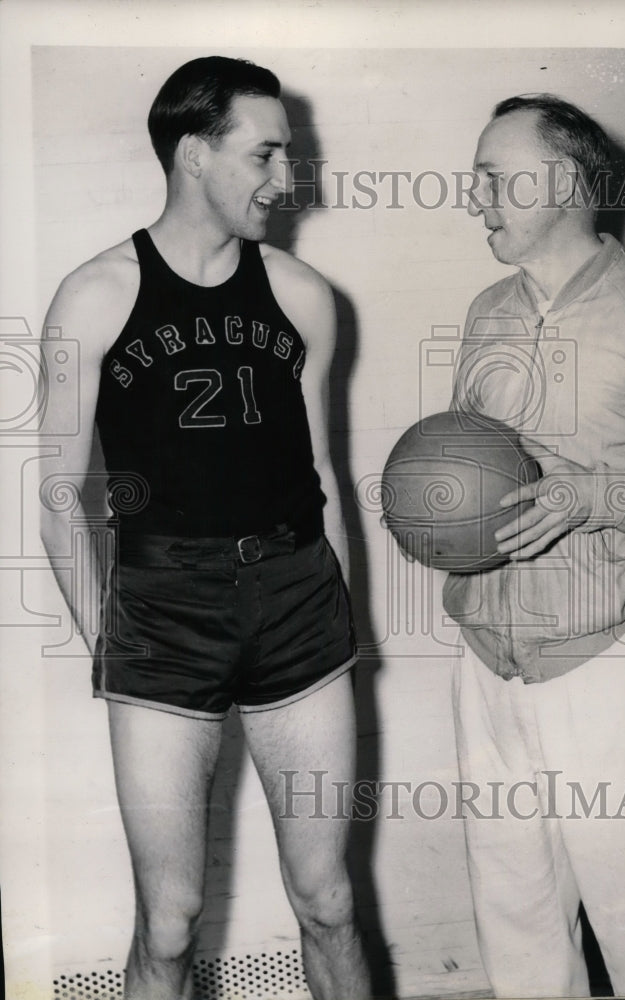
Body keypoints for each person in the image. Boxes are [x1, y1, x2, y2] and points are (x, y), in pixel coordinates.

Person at [39, 56, 370, 1000]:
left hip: (299, 599)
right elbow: (59, 491)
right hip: (162, 610)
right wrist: (109, 638)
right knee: (173, 921)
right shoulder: (95, 295)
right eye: (264, 154)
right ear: (194, 155)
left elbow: (322, 479)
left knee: (329, 900)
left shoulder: (304, 296)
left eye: (289, 156)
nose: (285, 179)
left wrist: (340, 620)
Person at [444, 94, 625, 997]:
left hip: (607, 660)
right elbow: (468, 463)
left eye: (495, 176)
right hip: (488, 665)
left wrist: (597, 497)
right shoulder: (488, 310)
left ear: (565, 182)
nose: (474, 195)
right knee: (519, 937)